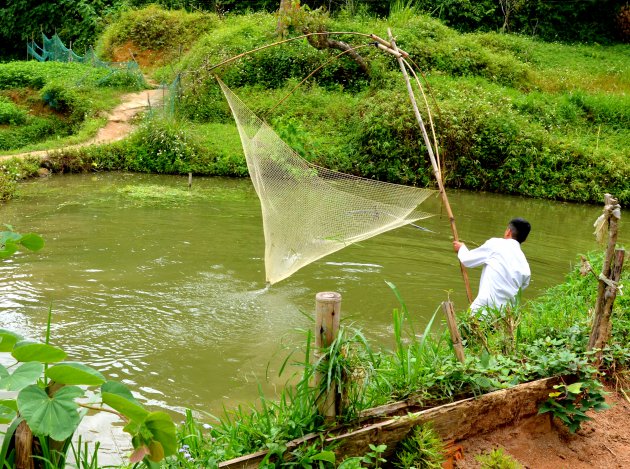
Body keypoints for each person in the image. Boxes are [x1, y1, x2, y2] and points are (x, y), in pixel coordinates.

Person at [453, 218, 531, 314]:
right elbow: (520, 290)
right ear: (525, 239)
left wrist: (461, 248)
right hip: (507, 316)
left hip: (483, 310)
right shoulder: (525, 265)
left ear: (508, 232)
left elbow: (467, 260)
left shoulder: (496, 244)